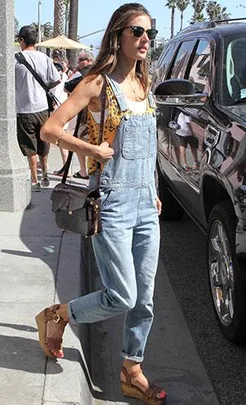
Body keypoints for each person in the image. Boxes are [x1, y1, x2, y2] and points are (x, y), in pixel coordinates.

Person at [35, 3, 167, 404]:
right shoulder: (96, 83)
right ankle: (59, 314)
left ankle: (132, 370)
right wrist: (90, 147)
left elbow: (151, 149)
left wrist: (155, 189)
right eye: (138, 31)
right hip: (111, 202)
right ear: (118, 35)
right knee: (122, 294)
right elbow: (50, 128)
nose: (145, 39)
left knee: (144, 298)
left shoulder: (146, 83)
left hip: (146, 202)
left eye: (150, 33)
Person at [15, 25, 61, 191]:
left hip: (23, 109)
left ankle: (34, 181)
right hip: (42, 108)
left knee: (30, 147)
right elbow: (56, 80)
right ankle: (45, 173)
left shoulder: (15, 60)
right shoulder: (45, 59)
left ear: (22, 40)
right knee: (44, 143)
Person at [64, 50, 95, 180]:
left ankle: (85, 170)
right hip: (92, 115)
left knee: (80, 142)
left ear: (89, 61)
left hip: (87, 116)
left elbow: (66, 87)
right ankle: (87, 170)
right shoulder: (96, 72)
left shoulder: (86, 74)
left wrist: (73, 72)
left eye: (81, 60)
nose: (78, 63)